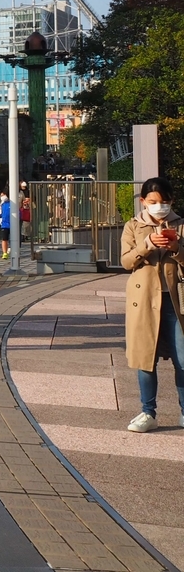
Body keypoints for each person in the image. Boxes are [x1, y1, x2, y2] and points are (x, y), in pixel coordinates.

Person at [120, 177, 184, 433]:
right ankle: (148, 412)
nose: (160, 207)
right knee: (145, 359)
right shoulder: (133, 226)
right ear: (143, 201)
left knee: (183, 359)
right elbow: (126, 262)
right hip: (144, 301)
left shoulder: (180, 225)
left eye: (165, 202)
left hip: (176, 301)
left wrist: (176, 247)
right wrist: (146, 245)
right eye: (154, 202)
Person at [0, 192, 12, 259]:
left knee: (13, 239)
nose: (2, 196)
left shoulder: (12, 204)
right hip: (4, 225)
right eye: (1, 195)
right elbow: (2, 214)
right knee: (4, 239)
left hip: (12, 225)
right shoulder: (2, 204)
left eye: (3, 195)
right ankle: (4, 253)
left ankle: (12, 250)